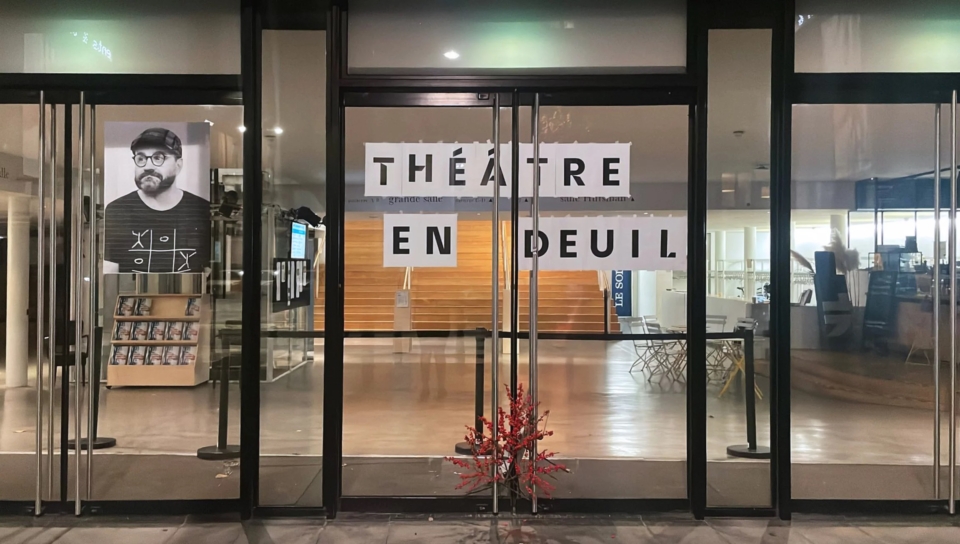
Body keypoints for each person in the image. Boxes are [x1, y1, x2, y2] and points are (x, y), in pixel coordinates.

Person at [103, 127, 210, 274]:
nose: (147, 166)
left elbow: (209, 270)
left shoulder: (200, 209)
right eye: (141, 158)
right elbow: (110, 269)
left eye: (158, 158)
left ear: (178, 165)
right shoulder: (118, 210)